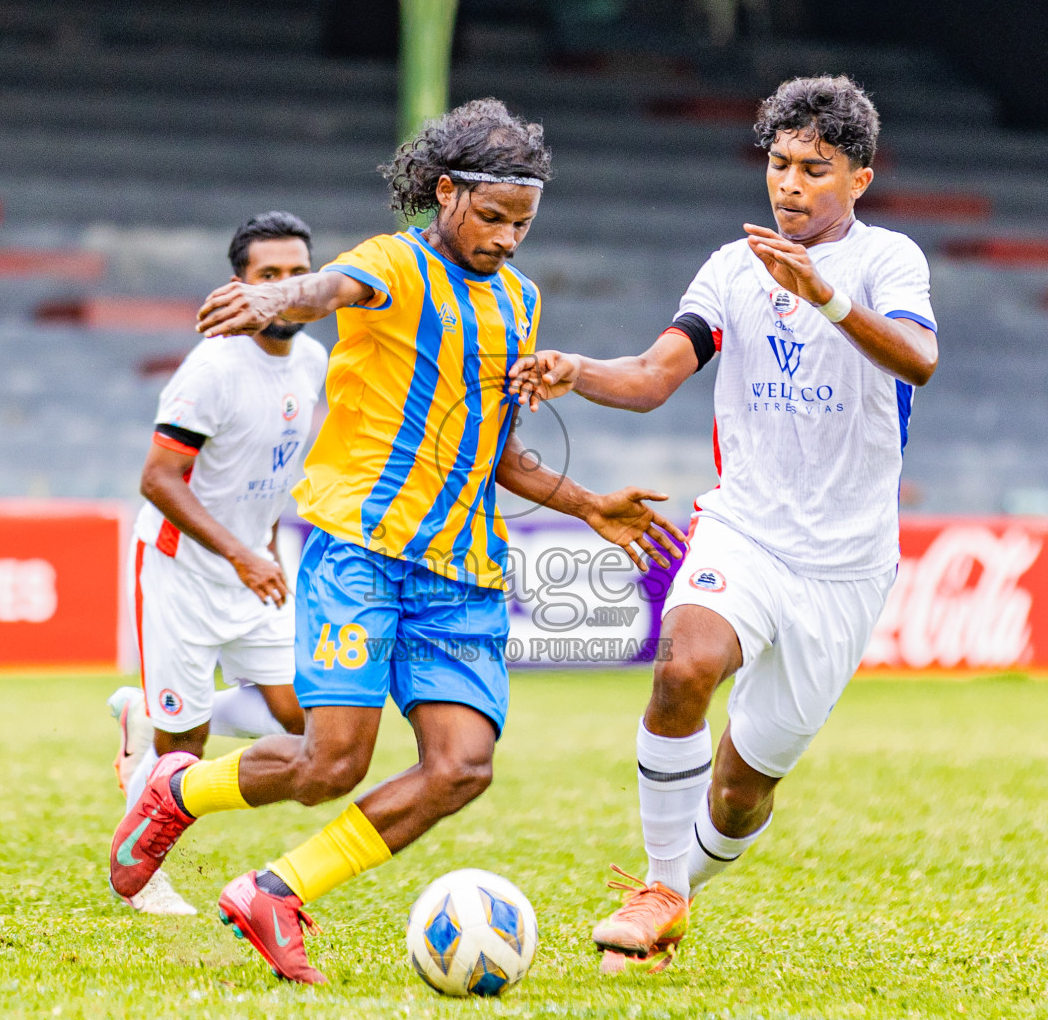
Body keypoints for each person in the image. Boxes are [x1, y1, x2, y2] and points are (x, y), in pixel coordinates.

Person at [108, 98, 684, 983]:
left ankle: (275, 892)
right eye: (492, 217)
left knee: (462, 768)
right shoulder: (393, 263)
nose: (507, 239)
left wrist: (587, 504)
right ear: (446, 193)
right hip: (363, 555)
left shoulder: (520, 304)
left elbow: (499, 452)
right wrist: (275, 295)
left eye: (523, 224)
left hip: (463, 575)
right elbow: (328, 289)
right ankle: (177, 788)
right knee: (329, 763)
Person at [509, 75, 939, 973]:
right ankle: (658, 890)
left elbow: (920, 360)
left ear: (859, 179)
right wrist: (576, 369)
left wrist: (823, 296)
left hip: (846, 567)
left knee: (741, 794)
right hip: (744, 530)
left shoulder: (888, 261)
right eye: (779, 164)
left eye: (814, 169)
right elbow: (654, 376)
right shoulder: (732, 267)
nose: (789, 184)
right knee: (684, 666)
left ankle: (676, 894)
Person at [106, 211, 327, 915]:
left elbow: (271, 469)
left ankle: (144, 716)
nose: (285, 287)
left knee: (310, 722)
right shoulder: (212, 368)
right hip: (185, 570)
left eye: (298, 273)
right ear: (240, 285)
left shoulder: (313, 361)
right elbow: (157, 479)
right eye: (269, 275)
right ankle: (144, 874)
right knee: (187, 745)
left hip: (252, 567)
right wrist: (239, 553)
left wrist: (266, 548)